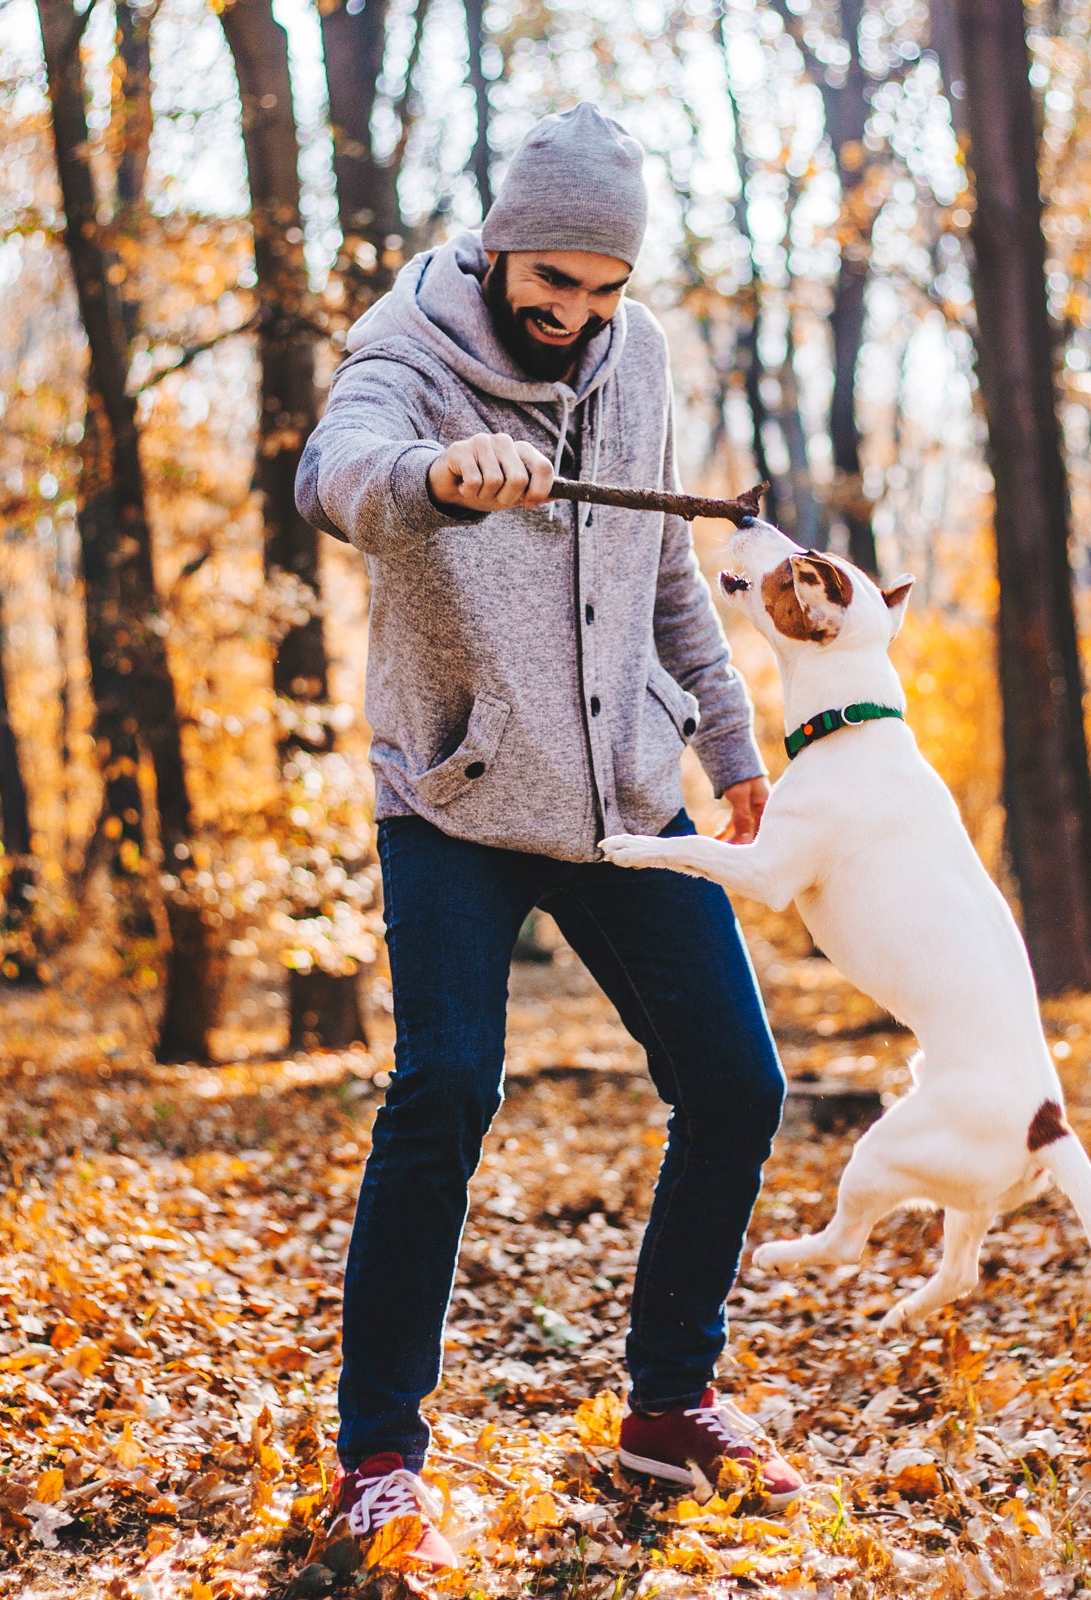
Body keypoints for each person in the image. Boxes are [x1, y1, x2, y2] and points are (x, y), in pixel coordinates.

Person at [295, 102, 800, 1569]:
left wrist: (726, 739)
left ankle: (667, 1405)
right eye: (553, 280)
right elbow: (341, 472)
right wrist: (435, 478)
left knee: (738, 1086)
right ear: (504, 244)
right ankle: (381, 1454)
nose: (574, 312)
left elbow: (661, 573)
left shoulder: (636, 359)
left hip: (627, 794)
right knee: (444, 1090)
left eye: (602, 287)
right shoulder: (412, 345)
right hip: (457, 792)